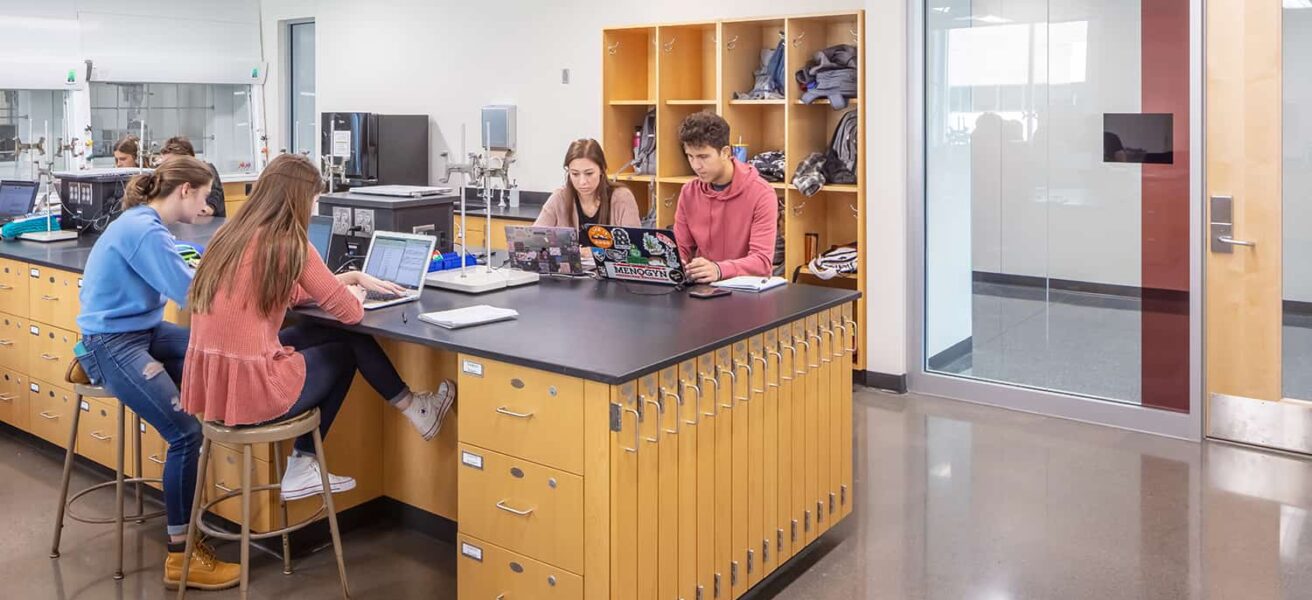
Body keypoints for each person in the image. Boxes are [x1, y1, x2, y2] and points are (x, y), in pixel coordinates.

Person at [181, 153, 456, 503]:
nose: (315, 208)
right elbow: (350, 313)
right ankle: (304, 461)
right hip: (253, 393)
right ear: (299, 199)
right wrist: (351, 292)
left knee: (327, 334)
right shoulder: (290, 243)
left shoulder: (230, 235)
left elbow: (288, 293)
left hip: (216, 385)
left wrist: (350, 277)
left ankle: (415, 408)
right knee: (345, 346)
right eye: (314, 200)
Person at [75, 156, 242, 590]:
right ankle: (181, 555)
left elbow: (190, 277)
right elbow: (191, 294)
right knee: (186, 434)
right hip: (115, 341)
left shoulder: (146, 223)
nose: (206, 206)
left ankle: (101, 366)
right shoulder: (145, 230)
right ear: (184, 190)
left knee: (216, 351)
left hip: (142, 330)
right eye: (204, 196)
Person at [673, 111, 778, 283]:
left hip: (746, 295)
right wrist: (676, 263)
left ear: (725, 152)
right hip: (701, 289)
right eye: (690, 157)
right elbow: (681, 248)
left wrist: (719, 269)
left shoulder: (762, 194)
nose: (696, 166)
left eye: (703, 157)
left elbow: (762, 262)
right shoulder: (688, 192)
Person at [533, 138, 641, 230]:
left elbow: (634, 248)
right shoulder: (559, 198)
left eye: (589, 173)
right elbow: (534, 239)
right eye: (575, 174)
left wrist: (593, 251)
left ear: (602, 170)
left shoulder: (622, 198)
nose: (582, 182)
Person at [159, 136, 226, 217]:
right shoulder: (173, 176)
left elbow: (213, 197)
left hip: (210, 223)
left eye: (172, 163)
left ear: (188, 160)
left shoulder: (206, 170)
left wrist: (208, 208)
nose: (168, 168)